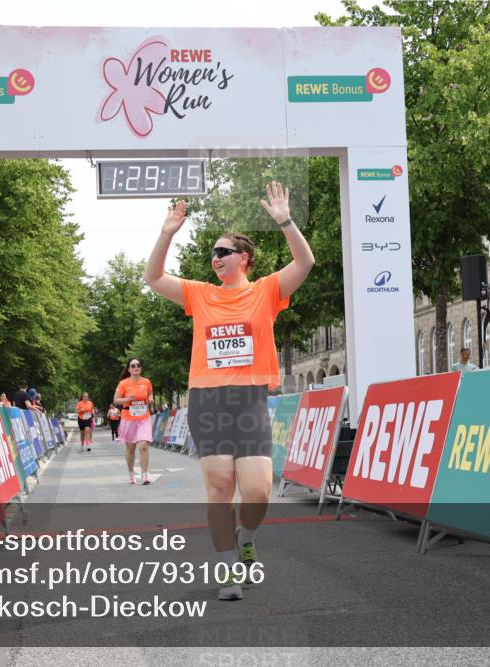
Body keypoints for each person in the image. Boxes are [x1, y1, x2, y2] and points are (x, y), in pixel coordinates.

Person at [145, 182, 315, 601]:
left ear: (244, 259)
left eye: (223, 252)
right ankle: (227, 572)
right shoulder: (200, 295)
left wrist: (285, 221)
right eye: (213, 253)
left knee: (258, 491)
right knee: (220, 488)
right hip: (208, 399)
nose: (215, 258)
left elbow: (305, 262)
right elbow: (152, 277)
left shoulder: (266, 292)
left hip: (250, 399)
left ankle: (246, 538)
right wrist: (168, 232)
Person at [114, 358, 154, 485]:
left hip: (143, 417)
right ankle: (131, 473)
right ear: (129, 369)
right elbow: (116, 400)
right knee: (130, 448)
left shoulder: (146, 382)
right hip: (128, 418)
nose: (136, 367)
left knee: (143, 446)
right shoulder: (123, 384)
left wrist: (151, 399)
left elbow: (150, 394)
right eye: (133, 365)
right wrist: (127, 399)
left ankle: (145, 475)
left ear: (141, 368)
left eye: (138, 365)